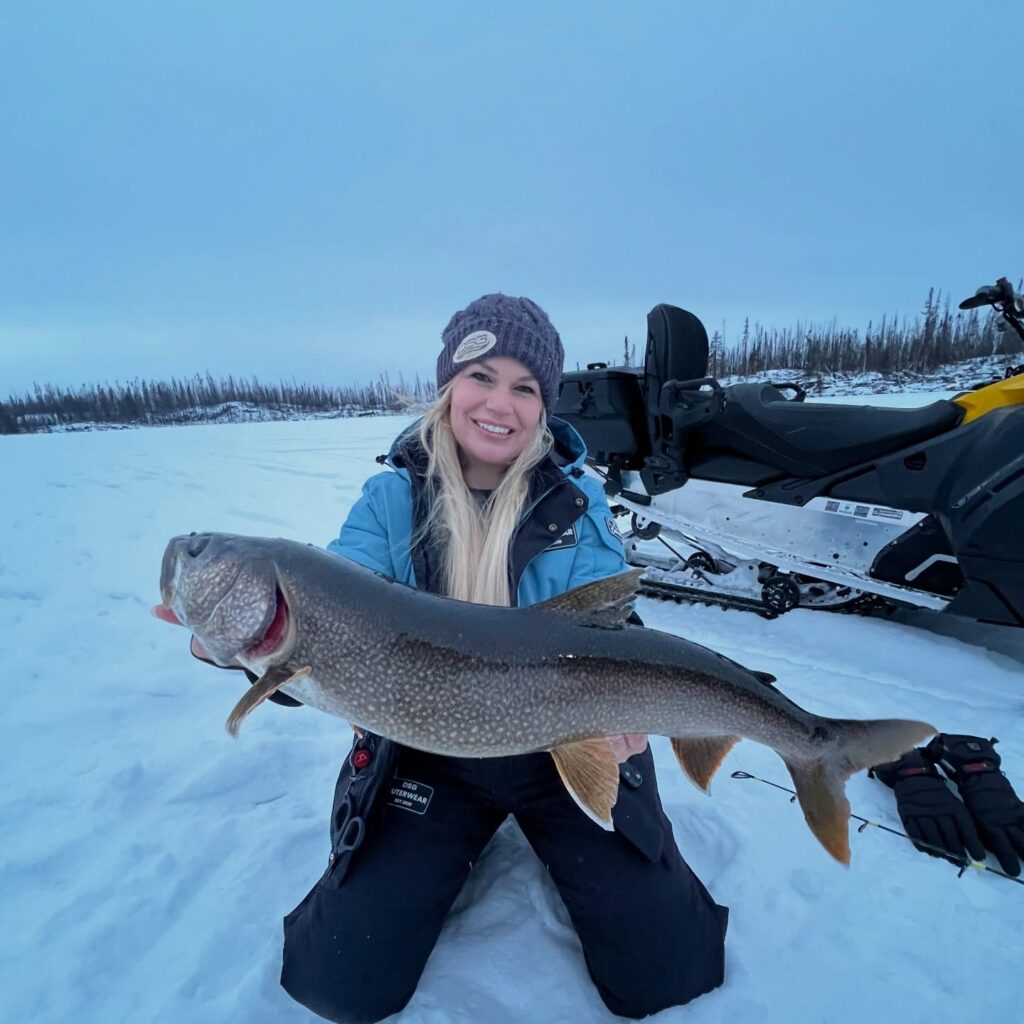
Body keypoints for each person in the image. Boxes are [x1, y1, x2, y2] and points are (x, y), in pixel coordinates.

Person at [193, 294, 727, 1022]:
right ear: (449, 386)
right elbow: (318, 634)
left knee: (670, 971)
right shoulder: (388, 501)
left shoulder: (577, 503)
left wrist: (628, 719)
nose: (499, 404)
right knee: (339, 982)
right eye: (481, 376)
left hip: (565, 743)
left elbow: (615, 630)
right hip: (424, 750)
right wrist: (235, 651)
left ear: (544, 405)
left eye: (525, 387)